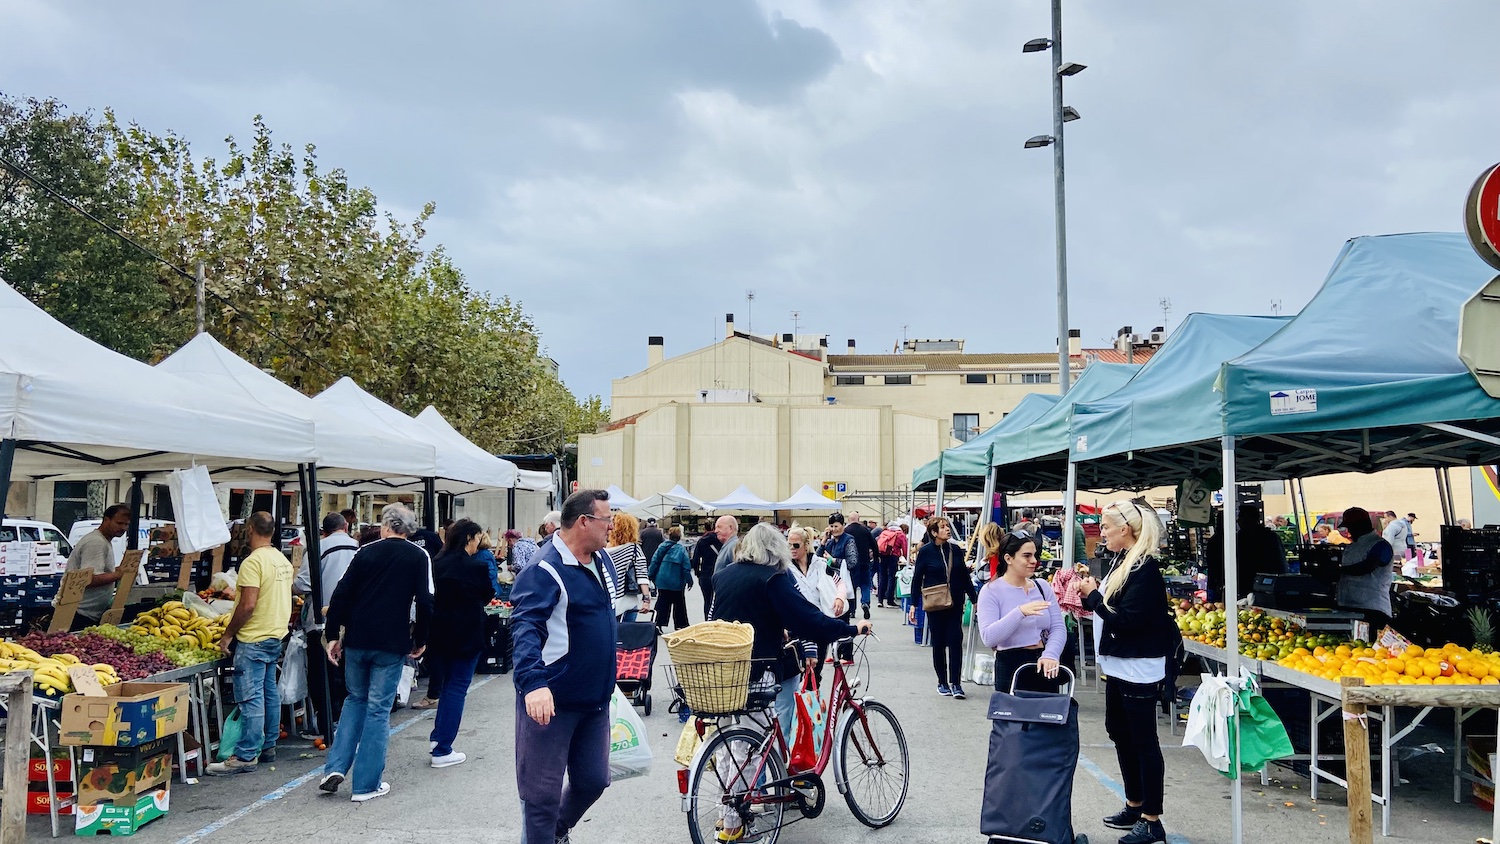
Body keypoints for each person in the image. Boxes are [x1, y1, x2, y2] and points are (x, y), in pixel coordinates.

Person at [511, 490, 620, 844]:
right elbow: (525, 627)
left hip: (594, 700)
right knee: (540, 797)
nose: (612, 526)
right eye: (607, 519)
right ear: (585, 522)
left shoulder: (601, 560)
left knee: (593, 780)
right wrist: (533, 684)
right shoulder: (544, 569)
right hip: (552, 701)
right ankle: (545, 834)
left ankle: (557, 831)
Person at [1077, 500, 1180, 844]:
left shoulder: (1145, 569)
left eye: (1106, 527)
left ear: (1126, 530)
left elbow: (1129, 620)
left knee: (1143, 741)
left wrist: (1092, 598)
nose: (1101, 533)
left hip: (1138, 665)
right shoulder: (1123, 561)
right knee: (1118, 731)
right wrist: (1090, 593)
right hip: (1118, 663)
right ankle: (1135, 803)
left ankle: (1152, 819)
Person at [711, 523, 872, 738]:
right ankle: (766, 769)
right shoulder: (772, 577)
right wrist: (851, 629)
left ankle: (728, 769)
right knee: (756, 740)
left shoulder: (723, 575)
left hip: (723, 666)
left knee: (729, 737)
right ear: (776, 548)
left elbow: (713, 618)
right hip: (758, 666)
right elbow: (805, 619)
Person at [319, 503, 434, 802]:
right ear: (409, 530)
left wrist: (333, 635)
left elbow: (341, 594)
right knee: (378, 709)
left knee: (354, 700)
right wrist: (421, 638)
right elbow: (425, 600)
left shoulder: (364, 552)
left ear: (385, 526)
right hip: (391, 640)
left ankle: (335, 767)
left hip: (357, 637)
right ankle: (366, 784)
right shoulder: (418, 556)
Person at [208, 511, 294, 775]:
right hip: (275, 636)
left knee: (250, 697)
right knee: (268, 693)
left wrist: (228, 634)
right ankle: (267, 746)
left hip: (253, 638)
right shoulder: (282, 560)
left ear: (250, 529)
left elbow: (247, 605)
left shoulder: (253, 562)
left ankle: (245, 756)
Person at [426, 518, 495, 768]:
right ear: (468, 538)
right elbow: (488, 593)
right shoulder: (474, 567)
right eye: (477, 538)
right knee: (456, 688)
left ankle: (438, 738)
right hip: (467, 632)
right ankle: (443, 748)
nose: (478, 543)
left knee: (446, 686)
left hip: (439, 632)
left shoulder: (436, 563)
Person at [293, 511, 359, 739]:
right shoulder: (358, 547)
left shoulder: (317, 548)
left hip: (322, 622)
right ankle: (346, 721)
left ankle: (325, 723)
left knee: (322, 674)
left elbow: (303, 583)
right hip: (353, 621)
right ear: (346, 527)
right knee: (347, 673)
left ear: (324, 530)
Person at [978, 532, 1067, 693]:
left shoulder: (1042, 586)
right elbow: (988, 637)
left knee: (1048, 715)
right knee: (1012, 716)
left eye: (1035, 555)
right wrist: (1019, 613)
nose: (1033, 561)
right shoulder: (991, 591)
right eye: (1027, 556)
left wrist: (1051, 654)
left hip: (1043, 663)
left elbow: (1058, 627)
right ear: (1008, 559)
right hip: (1010, 664)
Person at [910, 516, 977, 699]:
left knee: (955, 641)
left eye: (948, 526)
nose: (947, 529)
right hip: (935, 604)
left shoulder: (955, 550)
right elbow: (917, 579)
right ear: (933, 532)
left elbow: (964, 575)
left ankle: (956, 683)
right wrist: (914, 604)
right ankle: (942, 681)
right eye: (943, 527)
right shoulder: (925, 552)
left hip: (955, 602)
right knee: (938, 642)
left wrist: (974, 598)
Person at [786, 524, 850, 689]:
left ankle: (810, 708)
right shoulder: (785, 568)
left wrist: (839, 598)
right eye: (789, 545)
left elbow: (840, 582)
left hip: (818, 623)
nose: (791, 549)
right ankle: (799, 710)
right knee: (797, 673)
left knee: (816, 672)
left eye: (796, 545)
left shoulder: (821, 564)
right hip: (796, 627)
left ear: (806, 545)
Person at [63, 504, 130, 631]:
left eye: (126, 524)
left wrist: (116, 571)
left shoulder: (104, 541)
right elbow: (89, 579)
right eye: (119, 523)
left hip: (85, 614)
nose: (123, 528)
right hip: (77, 614)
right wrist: (118, 574)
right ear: (106, 520)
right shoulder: (96, 542)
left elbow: (99, 572)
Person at [1203, 504, 1286, 601]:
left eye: (1241, 517)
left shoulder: (1264, 538)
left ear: (1250, 518)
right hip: (1248, 586)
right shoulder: (1239, 538)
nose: (1238, 521)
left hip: (1261, 587)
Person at [1336, 507, 1395, 629]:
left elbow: (1368, 566)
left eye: (1351, 526)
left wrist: (1340, 570)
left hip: (1372, 609)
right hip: (1348, 606)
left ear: (1361, 525)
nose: (1349, 531)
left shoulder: (1380, 545)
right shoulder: (1352, 546)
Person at [605, 513, 654, 622]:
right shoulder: (634, 549)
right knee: (627, 636)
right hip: (627, 603)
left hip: (608, 604)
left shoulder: (603, 550)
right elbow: (642, 576)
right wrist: (646, 600)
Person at [648, 526, 693, 630]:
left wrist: (650, 575)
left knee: (662, 602)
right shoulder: (681, 549)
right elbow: (686, 567)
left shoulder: (662, 547)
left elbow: (654, 561)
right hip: (677, 581)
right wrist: (689, 581)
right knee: (679, 603)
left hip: (662, 579)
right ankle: (680, 625)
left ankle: (657, 623)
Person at [691, 517, 732, 617]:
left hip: (706, 574)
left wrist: (698, 573)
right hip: (721, 574)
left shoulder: (701, 541)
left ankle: (708, 622)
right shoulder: (722, 541)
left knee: (707, 602)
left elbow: (695, 560)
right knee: (720, 601)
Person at [842, 510, 878, 619]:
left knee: (851, 587)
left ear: (849, 519)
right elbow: (874, 544)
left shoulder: (845, 531)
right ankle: (865, 603)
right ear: (858, 519)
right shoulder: (865, 530)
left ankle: (852, 610)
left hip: (851, 564)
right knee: (865, 584)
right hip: (864, 562)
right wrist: (876, 557)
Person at [875, 522, 907, 607]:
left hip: (882, 555)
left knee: (882, 577)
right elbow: (905, 548)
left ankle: (880, 600)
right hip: (893, 556)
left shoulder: (884, 532)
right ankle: (890, 601)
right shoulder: (901, 535)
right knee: (891, 578)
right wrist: (905, 557)